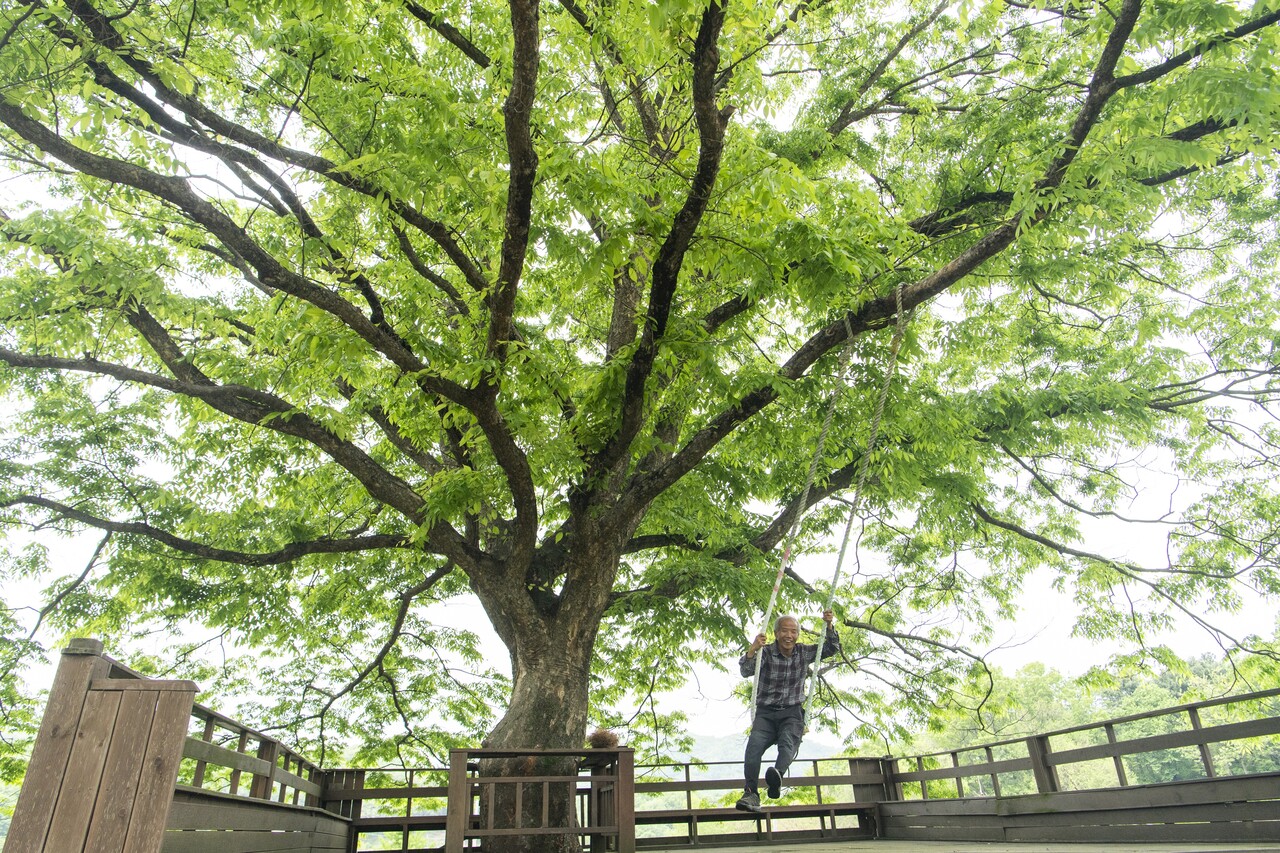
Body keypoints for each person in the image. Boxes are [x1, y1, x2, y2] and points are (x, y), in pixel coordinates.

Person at [735, 609, 840, 813]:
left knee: (788, 742)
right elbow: (745, 671)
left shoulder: (803, 652)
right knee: (753, 748)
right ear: (776, 633)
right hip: (766, 712)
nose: (789, 636)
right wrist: (752, 649)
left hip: (791, 712)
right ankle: (750, 793)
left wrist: (829, 626)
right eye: (784, 631)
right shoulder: (765, 653)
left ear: (797, 635)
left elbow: (831, 648)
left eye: (793, 632)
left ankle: (776, 777)